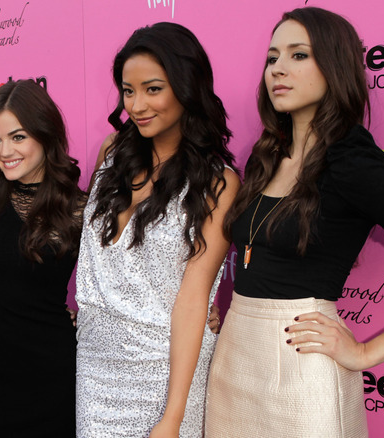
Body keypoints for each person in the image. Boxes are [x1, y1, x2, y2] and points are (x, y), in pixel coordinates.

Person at [205, 7, 384, 437]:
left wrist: (365, 353)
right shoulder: (266, 155)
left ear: (334, 65)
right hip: (234, 362)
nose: (278, 69)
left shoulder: (351, 159)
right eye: (272, 57)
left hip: (303, 371)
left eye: (298, 55)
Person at [75, 23, 239, 437]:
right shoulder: (111, 154)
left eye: (152, 88)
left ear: (186, 87)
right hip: (95, 367)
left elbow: (193, 297)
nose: (136, 105)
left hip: (166, 368)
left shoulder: (217, 183)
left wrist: (173, 417)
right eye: (128, 91)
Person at [0, 80, 86, 436]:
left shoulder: (79, 209)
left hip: (56, 373)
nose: (4, 151)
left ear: (45, 135)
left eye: (18, 137)